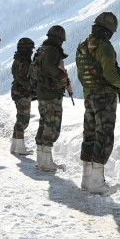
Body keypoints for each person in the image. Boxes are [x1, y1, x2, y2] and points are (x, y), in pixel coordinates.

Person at [75, 12, 120, 194]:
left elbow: (81, 74)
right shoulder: (105, 47)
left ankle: (86, 179)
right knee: (104, 135)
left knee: (90, 134)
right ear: (109, 30)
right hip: (105, 98)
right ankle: (97, 183)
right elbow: (109, 74)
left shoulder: (82, 46)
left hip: (89, 96)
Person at [32, 25, 73, 172]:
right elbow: (50, 67)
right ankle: (46, 162)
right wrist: (62, 76)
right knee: (51, 126)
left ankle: (41, 160)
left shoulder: (42, 49)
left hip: (42, 92)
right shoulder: (53, 50)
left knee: (44, 124)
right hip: (51, 93)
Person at [10, 37, 35, 155]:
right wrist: (32, 87)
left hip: (18, 91)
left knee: (20, 118)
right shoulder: (23, 61)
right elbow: (23, 78)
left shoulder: (18, 59)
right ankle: (19, 147)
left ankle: (15, 145)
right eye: (30, 49)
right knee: (23, 120)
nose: (31, 51)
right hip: (22, 92)